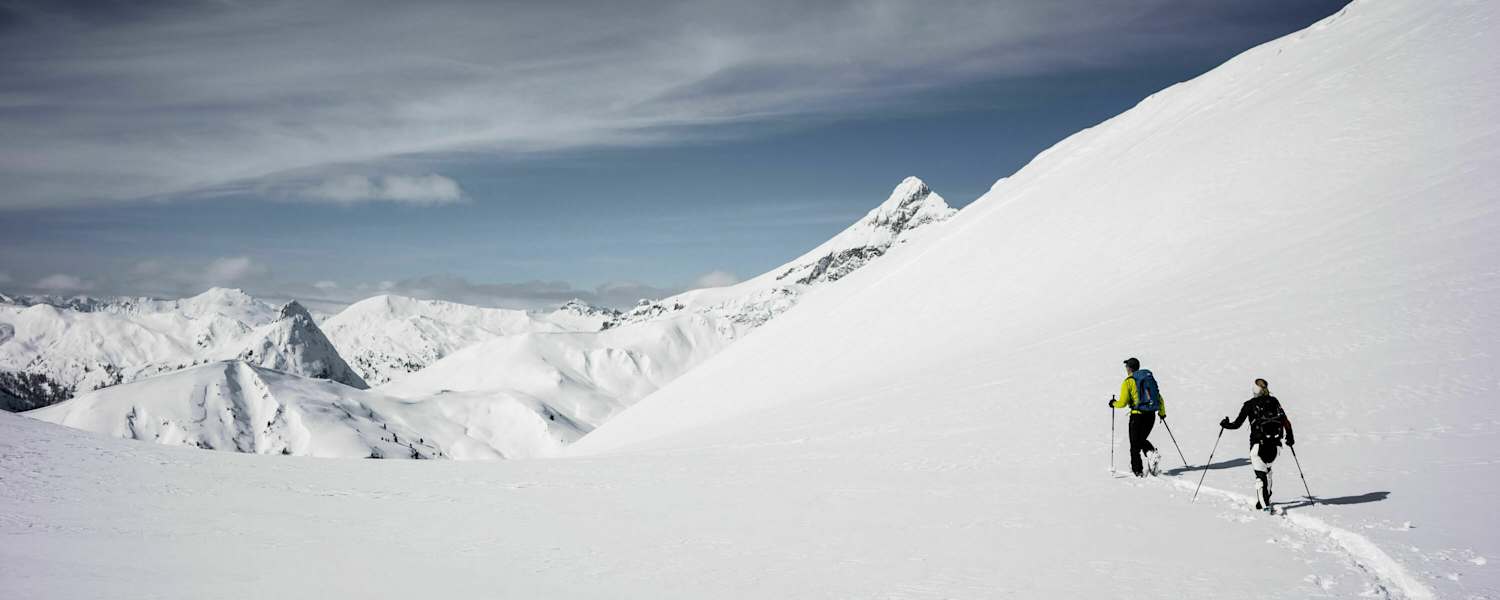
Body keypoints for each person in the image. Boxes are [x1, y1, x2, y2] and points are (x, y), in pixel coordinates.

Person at [1220, 378, 1295, 512]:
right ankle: (1267, 497)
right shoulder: (1274, 401)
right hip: (1276, 445)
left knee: (1260, 475)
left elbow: (1236, 425)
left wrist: (1225, 424)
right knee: (1268, 470)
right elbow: (1285, 421)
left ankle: (1264, 506)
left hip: (1258, 445)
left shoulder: (1249, 404)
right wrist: (1290, 437)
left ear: (1254, 390)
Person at [1110, 357, 1166, 476]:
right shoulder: (1148, 379)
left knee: (1134, 446)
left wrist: (1113, 403)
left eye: (1126, 366)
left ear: (1129, 368)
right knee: (1140, 441)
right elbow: (1159, 398)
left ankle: (1138, 471)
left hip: (1137, 417)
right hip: (1151, 416)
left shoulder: (1128, 381)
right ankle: (1151, 454)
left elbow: (1123, 403)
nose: (1125, 368)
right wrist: (1162, 413)